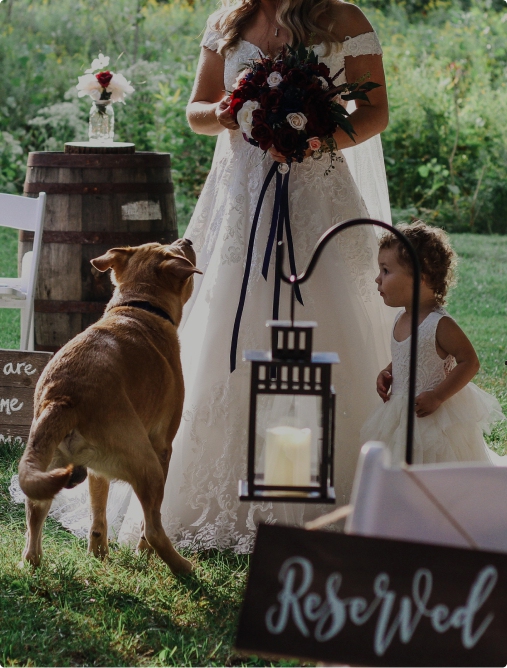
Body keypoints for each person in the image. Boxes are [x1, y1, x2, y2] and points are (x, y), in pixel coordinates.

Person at [11, 0, 395, 551]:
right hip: (240, 197)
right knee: (225, 333)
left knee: (326, 321)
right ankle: (205, 492)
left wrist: (314, 138)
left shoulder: (347, 20)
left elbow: (375, 113)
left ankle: (328, 489)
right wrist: (230, 113)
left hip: (319, 193)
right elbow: (194, 112)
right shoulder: (226, 23)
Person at [361, 221, 505, 465]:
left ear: (421, 278)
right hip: (400, 411)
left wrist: (438, 396)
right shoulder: (401, 317)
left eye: (386, 270)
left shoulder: (439, 324)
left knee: (434, 467)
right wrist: (389, 370)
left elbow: (469, 361)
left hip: (433, 416)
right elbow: (408, 354)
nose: (377, 279)